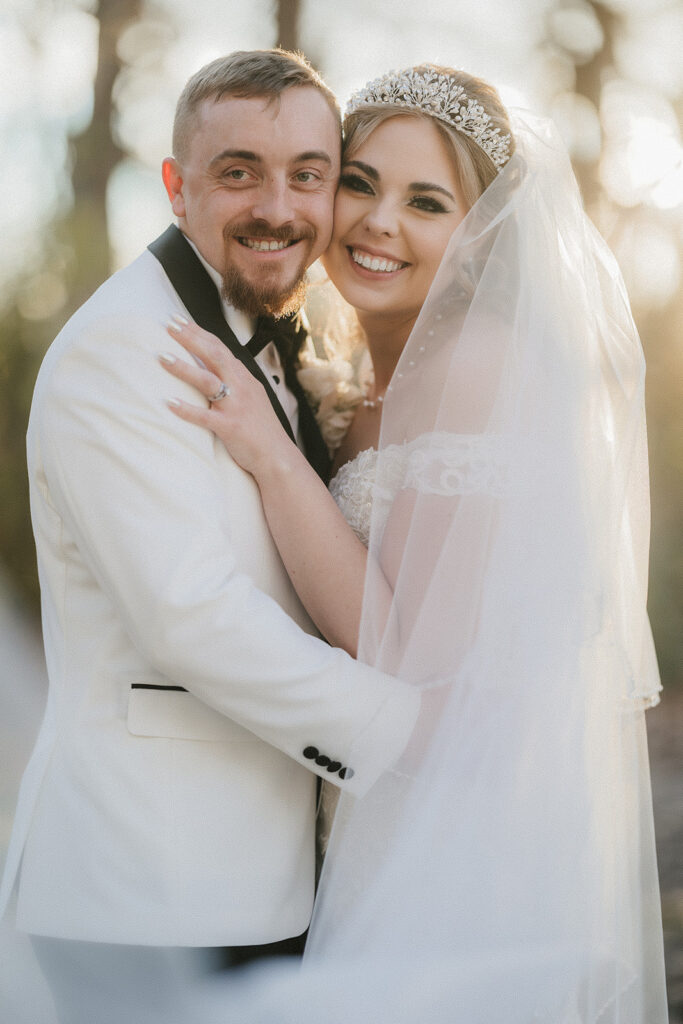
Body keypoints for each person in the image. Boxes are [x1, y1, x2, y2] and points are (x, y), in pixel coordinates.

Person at [160, 65, 668, 1022]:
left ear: (478, 240)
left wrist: (273, 459)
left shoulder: (478, 369)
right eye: (359, 181)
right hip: (375, 805)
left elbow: (406, 652)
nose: (376, 221)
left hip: (457, 840)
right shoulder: (370, 376)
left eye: (425, 202)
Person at [0, 49, 421, 1023]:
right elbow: (192, 617)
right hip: (154, 886)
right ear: (176, 186)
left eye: (306, 175)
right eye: (239, 171)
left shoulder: (266, 336)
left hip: (241, 875)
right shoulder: (124, 352)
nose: (278, 205)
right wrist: (410, 732)